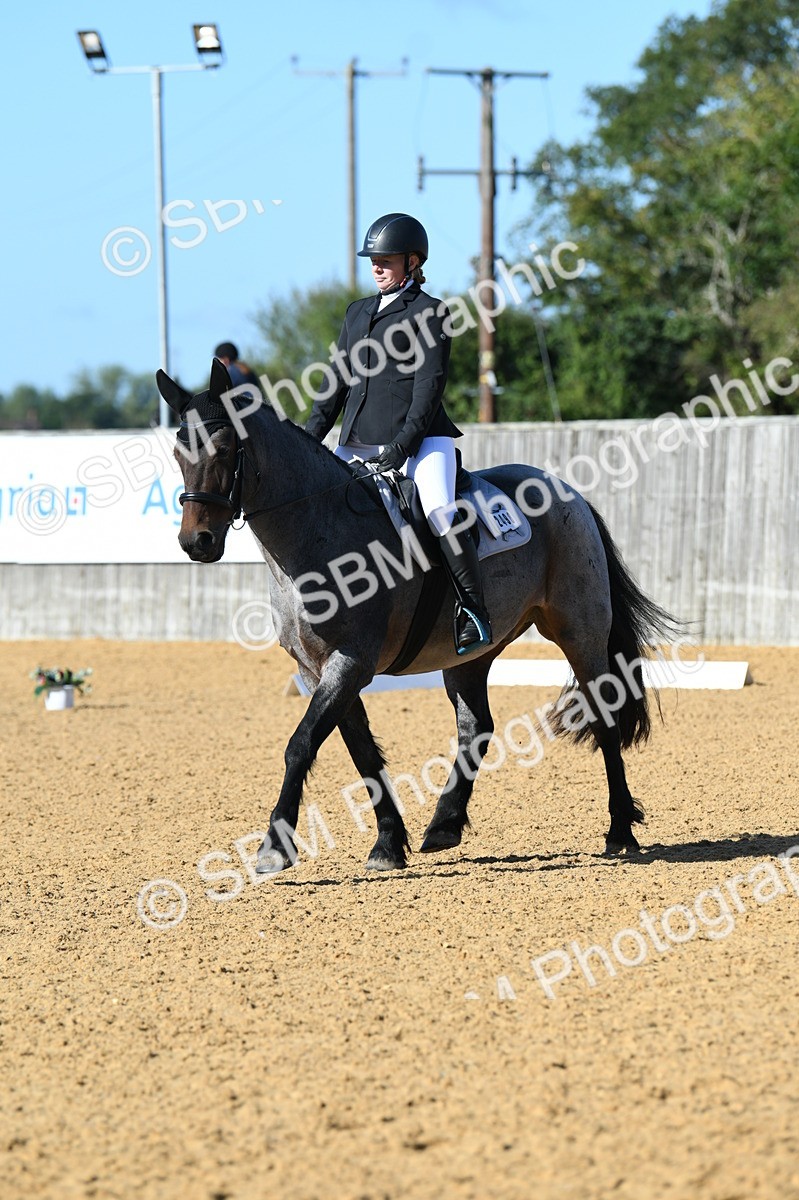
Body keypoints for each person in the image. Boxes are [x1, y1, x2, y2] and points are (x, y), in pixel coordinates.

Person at [305, 212, 491, 654]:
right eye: (373, 258)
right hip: (357, 440)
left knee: (441, 510)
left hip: (422, 441)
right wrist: (310, 438)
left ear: (412, 262)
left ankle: (472, 610)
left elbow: (428, 391)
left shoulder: (431, 313)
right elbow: (335, 383)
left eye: (385, 259)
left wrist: (401, 447)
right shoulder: (358, 313)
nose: (376, 266)